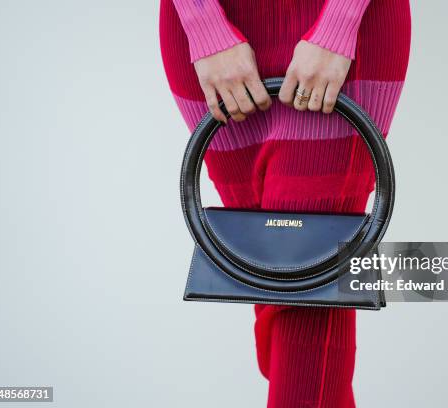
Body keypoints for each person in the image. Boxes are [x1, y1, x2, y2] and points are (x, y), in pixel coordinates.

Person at [159, 0, 411, 406]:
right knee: (272, 281)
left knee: (306, 286)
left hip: (347, 32)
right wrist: (204, 25)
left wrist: (339, 22)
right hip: (209, 39)